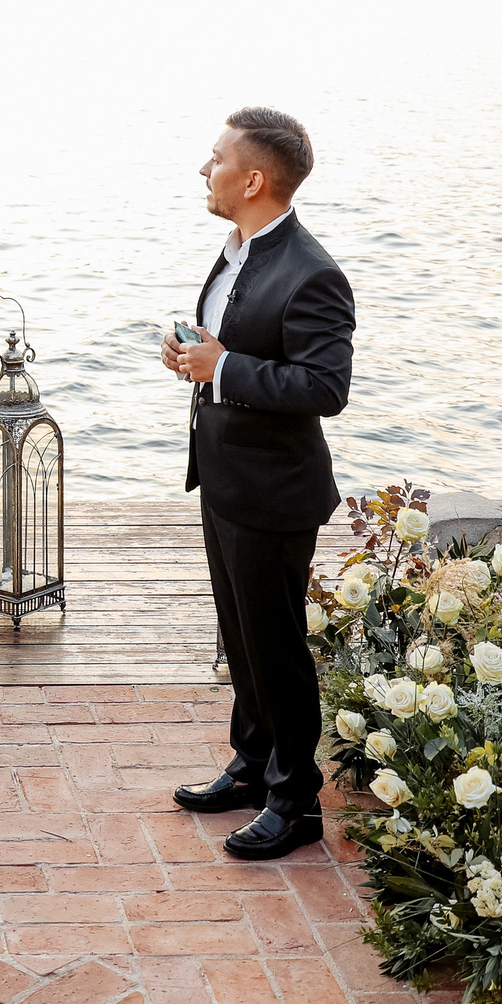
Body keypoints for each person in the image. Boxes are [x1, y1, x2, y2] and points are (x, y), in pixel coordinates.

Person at [159, 107, 355, 859]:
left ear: (252, 178)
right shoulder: (237, 246)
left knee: (276, 648)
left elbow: (326, 385)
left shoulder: (313, 271)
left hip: (275, 491)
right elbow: (229, 345)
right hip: (224, 476)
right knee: (241, 637)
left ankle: (295, 800)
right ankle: (249, 763)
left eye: (213, 159)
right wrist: (192, 357)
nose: (201, 169)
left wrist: (225, 368)